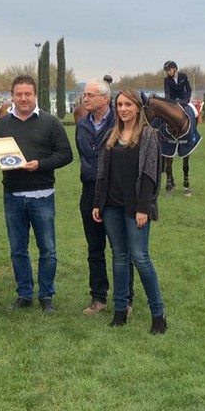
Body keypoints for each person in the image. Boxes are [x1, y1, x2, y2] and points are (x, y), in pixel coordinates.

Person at [0, 75, 73, 315]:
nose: (23, 98)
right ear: (12, 96)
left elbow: (66, 154)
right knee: (18, 249)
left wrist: (41, 164)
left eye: (27, 94)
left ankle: (46, 295)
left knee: (47, 249)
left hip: (42, 194)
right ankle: (24, 293)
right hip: (13, 195)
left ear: (35, 95)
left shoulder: (50, 122)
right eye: (18, 94)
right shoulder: (3, 123)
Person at [92, 89, 167, 334]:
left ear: (137, 108)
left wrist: (144, 208)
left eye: (128, 105)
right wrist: (97, 203)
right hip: (111, 206)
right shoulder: (111, 137)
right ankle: (120, 311)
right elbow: (103, 174)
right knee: (119, 258)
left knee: (141, 258)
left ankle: (158, 314)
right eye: (120, 105)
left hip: (136, 208)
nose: (123, 109)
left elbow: (149, 175)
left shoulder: (148, 136)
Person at [75, 78, 135, 316]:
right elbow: (84, 156)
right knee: (94, 248)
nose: (85, 99)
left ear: (104, 99)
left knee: (121, 249)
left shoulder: (120, 122)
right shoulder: (81, 124)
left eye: (90, 95)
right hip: (89, 191)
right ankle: (98, 297)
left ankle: (126, 299)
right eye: (84, 95)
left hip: (114, 193)